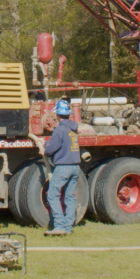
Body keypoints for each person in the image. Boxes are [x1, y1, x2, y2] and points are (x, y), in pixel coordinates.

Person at [42, 99, 80, 236]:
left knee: (53, 195)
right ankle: (68, 228)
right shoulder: (73, 129)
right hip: (75, 167)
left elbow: (51, 149)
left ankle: (59, 226)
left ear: (57, 115)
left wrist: (45, 147)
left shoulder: (60, 130)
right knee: (69, 197)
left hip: (63, 167)